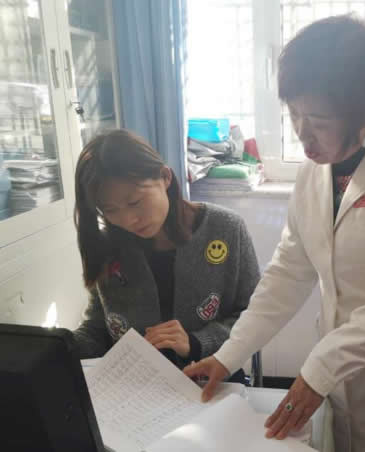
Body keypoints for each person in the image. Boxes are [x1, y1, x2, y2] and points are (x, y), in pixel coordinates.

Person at [184, 15, 365, 451]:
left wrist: (320, 369)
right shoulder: (313, 175)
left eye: (318, 120)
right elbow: (288, 273)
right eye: (294, 114)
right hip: (339, 386)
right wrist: (229, 355)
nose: (303, 134)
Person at [72, 129, 260, 382]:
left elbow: (254, 316)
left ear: (165, 177)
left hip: (210, 378)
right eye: (110, 210)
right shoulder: (109, 243)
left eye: (135, 202)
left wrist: (196, 342)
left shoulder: (225, 229)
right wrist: (62, 347)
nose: (127, 220)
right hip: (135, 386)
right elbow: (98, 325)